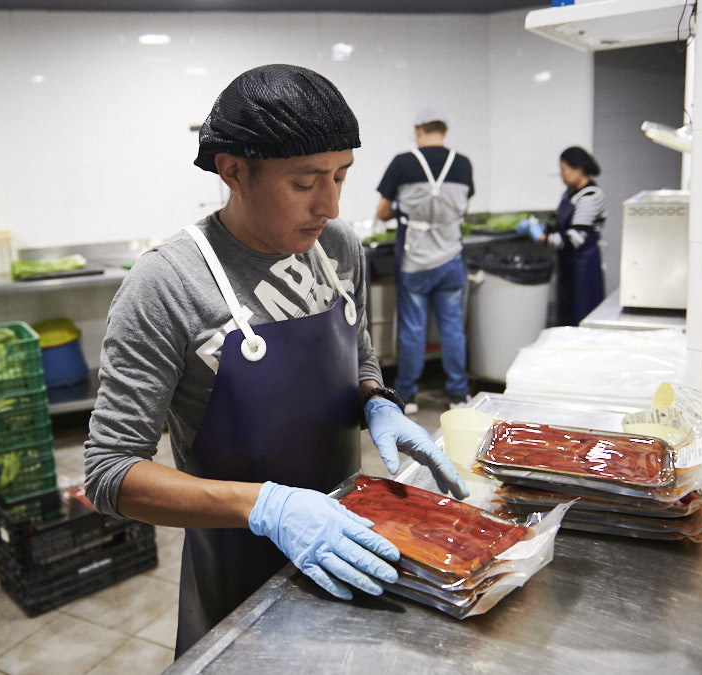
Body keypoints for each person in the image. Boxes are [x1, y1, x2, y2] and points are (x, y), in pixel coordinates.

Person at [82, 65, 469, 657]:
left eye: (342, 176)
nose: (330, 203)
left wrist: (377, 401)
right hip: (237, 572)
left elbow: (357, 351)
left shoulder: (337, 247)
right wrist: (267, 507)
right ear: (232, 171)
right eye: (305, 181)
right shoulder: (168, 284)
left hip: (352, 545)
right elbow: (110, 473)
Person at [374, 110, 474, 413]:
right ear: (444, 131)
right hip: (451, 259)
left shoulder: (403, 162)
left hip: (415, 261)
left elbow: (382, 211)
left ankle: (408, 396)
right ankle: (458, 395)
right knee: (453, 328)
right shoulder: (463, 163)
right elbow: (465, 210)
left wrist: (406, 213)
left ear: (418, 130)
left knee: (413, 330)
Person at [518, 146, 606, 326]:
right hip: (568, 266)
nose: (562, 175)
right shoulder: (570, 193)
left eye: (564, 170)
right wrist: (540, 227)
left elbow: (574, 239)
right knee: (567, 317)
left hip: (584, 268)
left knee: (582, 318)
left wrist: (541, 238)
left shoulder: (591, 196)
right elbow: (559, 225)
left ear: (578, 169)